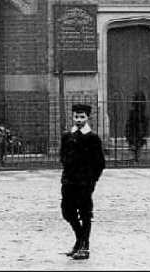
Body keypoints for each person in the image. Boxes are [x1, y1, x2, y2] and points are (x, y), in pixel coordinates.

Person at [59, 102, 106, 260]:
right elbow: (62, 156)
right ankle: (80, 239)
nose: (79, 119)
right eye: (76, 116)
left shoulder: (92, 138)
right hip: (69, 181)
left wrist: (92, 180)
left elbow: (100, 163)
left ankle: (84, 247)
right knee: (67, 211)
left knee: (85, 214)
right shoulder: (67, 136)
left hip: (85, 183)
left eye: (82, 117)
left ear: (88, 117)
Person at [125, 91, 149, 162]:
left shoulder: (136, 111)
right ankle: (136, 156)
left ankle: (136, 156)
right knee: (137, 140)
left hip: (137, 129)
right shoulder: (138, 111)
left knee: (136, 140)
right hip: (137, 129)